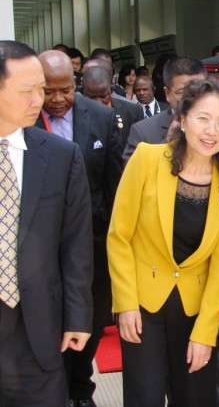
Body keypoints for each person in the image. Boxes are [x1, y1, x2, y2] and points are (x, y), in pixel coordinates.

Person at [107, 79, 219, 407]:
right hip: (143, 303)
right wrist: (125, 303)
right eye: (203, 118)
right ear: (182, 119)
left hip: (195, 308)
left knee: (195, 397)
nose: (212, 130)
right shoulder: (147, 159)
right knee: (145, 397)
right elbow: (119, 235)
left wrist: (206, 331)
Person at [0, 40, 94, 407]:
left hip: (38, 326)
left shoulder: (60, 155)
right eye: (27, 90)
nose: (38, 100)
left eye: (41, 88)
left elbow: (75, 245)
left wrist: (78, 316)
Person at [37, 50, 124, 407]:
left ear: (76, 84)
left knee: (89, 318)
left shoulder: (102, 117)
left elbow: (113, 184)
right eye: (47, 91)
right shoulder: (20, 121)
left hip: (92, 244)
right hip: (41, 247)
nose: (57, 100)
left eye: (65, 90)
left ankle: (80, 387)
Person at [123, 56, 219, 165]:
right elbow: (133, 180)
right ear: (167, 93)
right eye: (181, 91)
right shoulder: (143, 132)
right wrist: (167, 143)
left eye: (199, 89)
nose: (191, 97)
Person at [82, 66, 144, 150]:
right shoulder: (75, 113)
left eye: (102, 96)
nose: (98, 103)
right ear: (83, 93)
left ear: (111, 90)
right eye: (91, 97)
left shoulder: (133, 112)